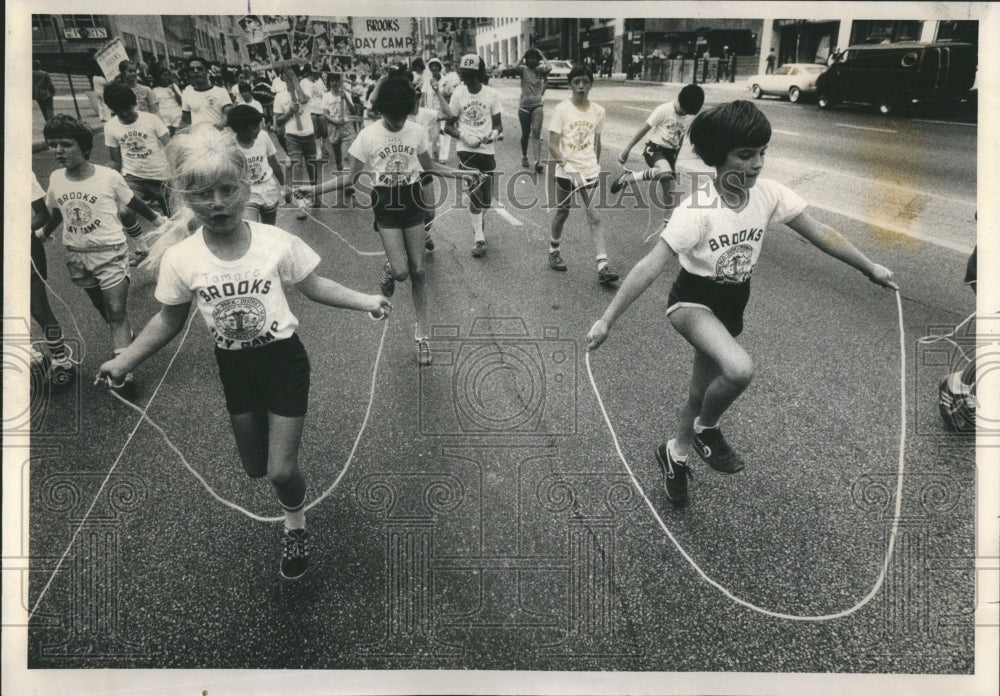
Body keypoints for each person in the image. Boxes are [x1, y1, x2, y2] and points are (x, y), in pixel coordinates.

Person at [96, 125, 390, 580]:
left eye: (227, 190)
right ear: (184, 197)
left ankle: (295, 526)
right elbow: (168, 320)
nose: (217, 203)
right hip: (234, 367)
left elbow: (315, 286)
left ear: (246, 186)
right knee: (255, 468)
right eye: (202, 193)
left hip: (283, 361)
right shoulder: (182, 258)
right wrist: (125, 359)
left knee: (278, 471)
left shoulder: (277, 243)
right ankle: (283, 481)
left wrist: (367, 300)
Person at [586, 101, 897, 507]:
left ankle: (674, 454)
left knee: (700, 393)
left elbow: (819, 231)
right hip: (693, 303)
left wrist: (868, 266)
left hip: (732, 304)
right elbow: (651, 265)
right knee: (739, 369)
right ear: (718, 156)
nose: (757, 164)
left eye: (762, 153)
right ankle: (705, 431)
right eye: (746, 155)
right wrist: (607, 320)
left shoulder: (768, 195)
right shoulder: (696, 209)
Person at [298, 76, 479, 366]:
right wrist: (313, 189)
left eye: (401, 115)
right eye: (391, 116)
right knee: (402, 272)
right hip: (386, 204)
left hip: (412, 200)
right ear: (381, 110)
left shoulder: (416, 131)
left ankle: (422, 337)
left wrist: (463, 175)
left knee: (419, 271)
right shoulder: (367, 136)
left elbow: (429, 168)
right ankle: (390, 268)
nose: (397, 122)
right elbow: (350, 178)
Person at [38, 115, 168, 397]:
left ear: (83, 147)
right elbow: (58, 210)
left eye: (65, 144)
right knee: (104, 310)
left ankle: (122, 373)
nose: (58, 150)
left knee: (117, 311)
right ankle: (126, 341)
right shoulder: (56, 178)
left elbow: (133, 201)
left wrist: (159, 222)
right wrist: (43, 231)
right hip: (77, 257)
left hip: (110, 254)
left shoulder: (108, 176)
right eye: (53, 145)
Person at [546, 64, 618, 285]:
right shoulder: (562, 110)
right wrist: (566, 166)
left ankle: (603, 266)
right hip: (567, 172)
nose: (580, 86)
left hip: (588, 171)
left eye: (585, 82)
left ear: (590, 85)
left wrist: (595, 164)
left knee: (594, 217)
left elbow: (596, 141)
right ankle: (554, 250)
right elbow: (552, 144)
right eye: (576, 82)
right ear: (570, 85)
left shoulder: (598, 111)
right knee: (563, 212)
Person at [611, 84, 705, 224]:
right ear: (680, 99)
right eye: (683, 110)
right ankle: (630, 178)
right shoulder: (663, 110)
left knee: (670, 194)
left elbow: (678, 141)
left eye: (688, 113)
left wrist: (674, 162)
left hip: (669, 155)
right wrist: (627, 149)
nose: (684, 114)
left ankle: (667, 227)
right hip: (654, 150)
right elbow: (642, 130)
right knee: (665, 173)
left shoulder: (686, 116)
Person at [103, 82, 172, 266]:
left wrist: (179, 171)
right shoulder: (110, 127)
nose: (124, 114)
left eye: (127, 108)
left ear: (134, 103)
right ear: (112, 110)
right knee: (125, 212)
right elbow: (115, 160)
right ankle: (143, 249)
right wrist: (104, 181)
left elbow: (171, 147)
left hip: (163, 177)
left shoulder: (151, 120)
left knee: (174, 223)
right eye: (119, 111)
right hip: (134, 178)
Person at [443, 54, 502, 258]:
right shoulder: (458, 94)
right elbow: (448, 126)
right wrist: (465, 137)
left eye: (471, 75)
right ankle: (479, 238)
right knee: (475, 196)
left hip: (486, 151)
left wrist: (494, 134)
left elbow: (498, 124)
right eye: (464, 75)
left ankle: (478, 222)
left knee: (486, 200)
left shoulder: (492, 94)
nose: (468, 80)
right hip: (466, 150)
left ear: (480, 74)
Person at [30, 171, 78, 389]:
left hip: (21, 248)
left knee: (39, 310)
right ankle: (33, 359)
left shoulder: (16, 170)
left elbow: (43, 214)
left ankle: (61, 360)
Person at [226, 105, 286, 226]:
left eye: (259, 126)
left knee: (269, 228)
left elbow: (273, 162)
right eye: (254, 128)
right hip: (247, 192)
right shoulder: (231, 146)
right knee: (251, 226)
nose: (259, 129)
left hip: (267, 188)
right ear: (241, 130)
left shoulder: (263, 137)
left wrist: (284, 184)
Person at [273, 66, 315, 220]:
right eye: (286, 75)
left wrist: (295, 80)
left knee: (312, 168)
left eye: (292, 75)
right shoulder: (279, 97)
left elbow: (304, 99)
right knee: (297, 168)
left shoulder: (305, 88)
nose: (289, 77)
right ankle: (301, 205)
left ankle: (314, 194)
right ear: (282, 78)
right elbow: (278, 121)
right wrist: (289, 112)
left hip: (309, 134)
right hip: (292, 136)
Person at [513, 48, 551, 172]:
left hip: (537, 105)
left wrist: (541, 54)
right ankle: (524, 155)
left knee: (536, 132)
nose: (533, 60)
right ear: (527, 59)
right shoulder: (523, 70)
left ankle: (537, 161)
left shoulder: (540, 70)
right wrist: (523, 54)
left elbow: (549, 67)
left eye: (535, 58)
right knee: (525, 133)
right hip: (524, 106)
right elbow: (514, 67)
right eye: (530, 57)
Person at [181, 56, 233, 129]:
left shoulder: (221, 92)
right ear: (189, 73)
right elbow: (186, 120)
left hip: (218, 136)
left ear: (207, 71)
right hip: (197, 137)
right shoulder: (186, 93)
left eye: (199, 68)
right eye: (192, 69)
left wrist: (221, 125)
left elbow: (231, 115)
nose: (196, 71)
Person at [321, 73, 356, 171]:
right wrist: (335, 122)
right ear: (329, 83)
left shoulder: (346, 93)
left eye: (337, 81)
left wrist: (346, 98)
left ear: (340, 82)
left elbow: (353, 111)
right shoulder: (326, 96)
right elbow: (325, 114)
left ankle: (347, 175)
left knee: (346, 155)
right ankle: (339, 169)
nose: (334, 83)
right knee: (337, 154)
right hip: (333, 127)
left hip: (346, 126)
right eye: (332, 81)